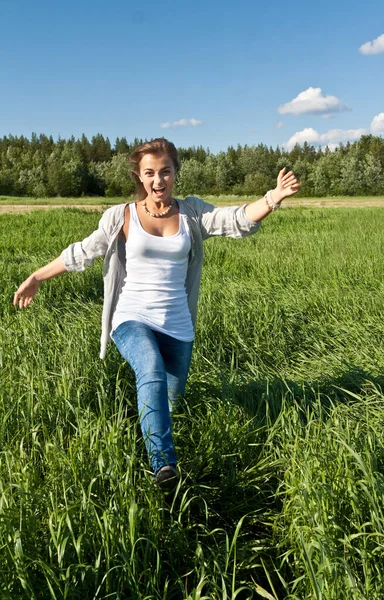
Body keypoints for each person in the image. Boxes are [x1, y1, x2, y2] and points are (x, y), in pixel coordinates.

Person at [13, 138, 300, 491]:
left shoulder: (192, 213)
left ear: (176, 173)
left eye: (165, 171)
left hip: (178, 326)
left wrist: (272, 198)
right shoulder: (122, 216)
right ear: (140, 176)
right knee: (149, 368)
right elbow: (84, 252)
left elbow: (236, 219)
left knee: (170, 401)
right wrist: (37, 276)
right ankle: (164, 467)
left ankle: (148, 431)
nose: (158, 180)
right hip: (131, 317)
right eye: (150, 173)